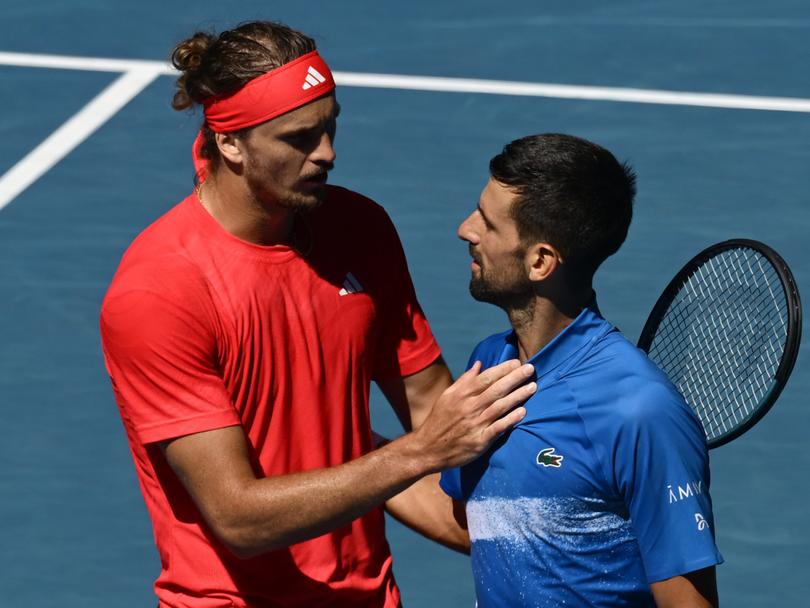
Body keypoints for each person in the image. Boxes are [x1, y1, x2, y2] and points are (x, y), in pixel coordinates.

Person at [99, 21, 535, 608]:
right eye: (300, 138)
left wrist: (548, 535)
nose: (326, 153)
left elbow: (432, 409)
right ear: (231, 143)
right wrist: (420, 452)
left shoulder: (360, 228)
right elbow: (239, 519)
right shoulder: (160, 291)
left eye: (330, 127)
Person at [394, 133, 724, 607]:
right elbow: (483, 526)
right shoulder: (490, 364)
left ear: (540, 261)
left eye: (487, 223)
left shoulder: (638, 412)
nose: (465, 229)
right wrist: (349, 449)